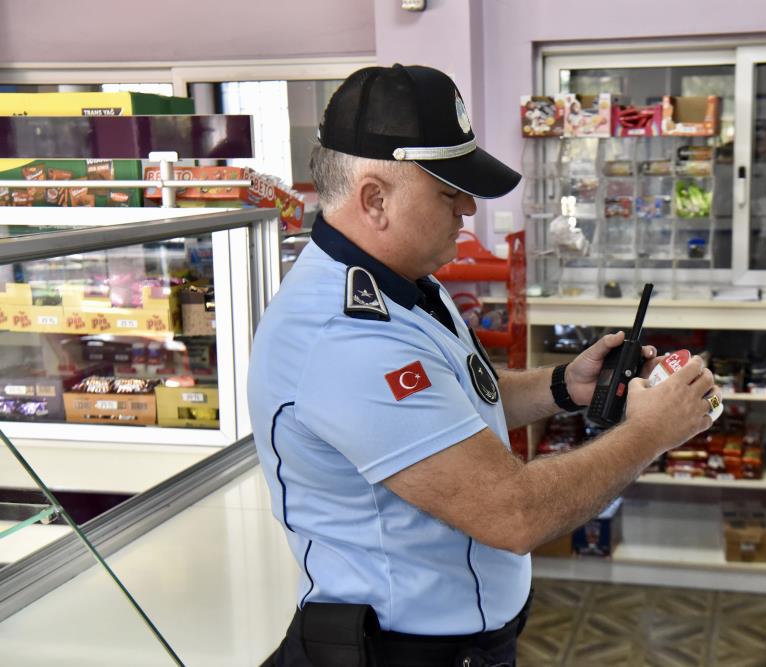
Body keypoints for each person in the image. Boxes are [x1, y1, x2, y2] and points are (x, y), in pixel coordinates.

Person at [248, 64, 720, 667]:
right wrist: (653, 431)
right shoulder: (344, 337)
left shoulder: (406, 282)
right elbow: (513, 511)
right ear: (375, 199)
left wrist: (561, 388)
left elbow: (456, 398)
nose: (468, 208)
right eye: (449, 192)